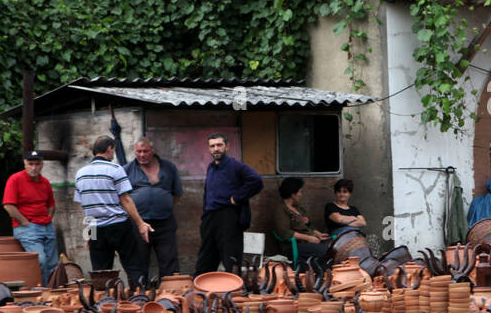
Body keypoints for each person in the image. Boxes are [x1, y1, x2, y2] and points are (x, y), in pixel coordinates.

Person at [73, 136, 153, 287]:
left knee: (101, 272)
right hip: (119, 226)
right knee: (134, 265)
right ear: (110, 149)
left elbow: (83, 207)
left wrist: (88, 233)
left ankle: (104, 303)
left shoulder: (80, 174)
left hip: (95, 227)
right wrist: (140, 224)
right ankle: (141, 298)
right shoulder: (115, 169)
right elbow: (126, 200)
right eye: (114, 150)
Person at [111, 119, 183, 281]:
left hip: (164, 223)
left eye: (145, 151)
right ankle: (139, 295)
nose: (142, 155)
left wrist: (162, 205)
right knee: (138, 261)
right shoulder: (127, 170)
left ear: (152, 150)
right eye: (139, 152)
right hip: (137, 223)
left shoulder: (169, 168)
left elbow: (176, 194)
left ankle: (169, 294)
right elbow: (122, 197)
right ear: (135, 152)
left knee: (169, 260)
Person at [195, 133, 263, 274]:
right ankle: (204, 292)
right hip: (210, 217)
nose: (216, 149)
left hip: (228, 216)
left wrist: (237, 198)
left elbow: (256, 181)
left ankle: (234, 293)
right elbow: (208, 192)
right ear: (209, 149)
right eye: (212, 146)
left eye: (219, 145)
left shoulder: (235, 166)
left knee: (231, 259)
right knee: (205, 259)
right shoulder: (211, 167)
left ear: (227, 146)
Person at [2, 151, 57, 285]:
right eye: (30, 164)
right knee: (40, 260)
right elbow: (8, 206)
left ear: (42, 164)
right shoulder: (15, 179)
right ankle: (43, 294)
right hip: (28, 227)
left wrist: (48, 218)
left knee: (53, 264)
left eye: (37, 164)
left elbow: (51, 205)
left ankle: (54, 294)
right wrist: (25, 222)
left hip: (46, 226)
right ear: (25, 164)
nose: (34, 167)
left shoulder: (45, 182)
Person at [269, 177, 332, 266]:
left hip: (309, 242)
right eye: (300, 191)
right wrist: (309, 238)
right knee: (325, 250)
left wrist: (318, 234)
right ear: (293, 194)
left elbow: (308, 224)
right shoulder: (280, 209)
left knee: (333, 246)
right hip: (293, 246)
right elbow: (284, 232)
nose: (301, 194)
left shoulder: (298, 208)